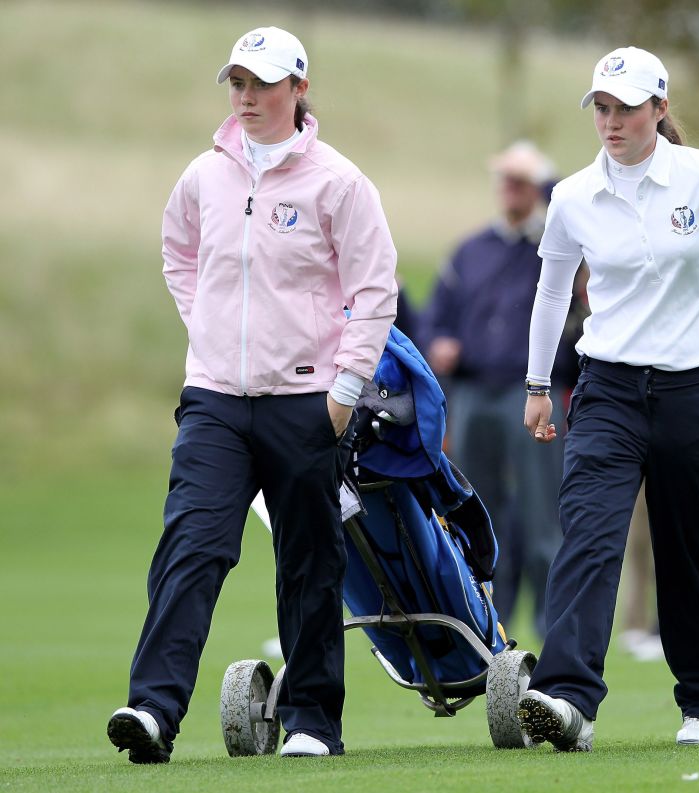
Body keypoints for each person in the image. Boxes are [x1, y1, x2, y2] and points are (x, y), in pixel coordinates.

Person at [107, 26, 398, 763]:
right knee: (192, 545)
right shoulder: (204, 176)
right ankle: (153, 710)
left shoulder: (337, 181)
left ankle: (312, 720)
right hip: (213, 398)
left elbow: (374, 292)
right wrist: (205, 324)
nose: (247, 97)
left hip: (306, 402)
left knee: (309, 558)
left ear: (298, 89)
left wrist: (343, 391)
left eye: (262, 84)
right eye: (237, 83)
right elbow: (179, 252)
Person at [520, 46, 699, 749]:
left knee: (690, 549)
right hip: (608, 388)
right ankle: (566, 699)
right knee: (588, 535)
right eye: (602, 109)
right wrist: (536, 385)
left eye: (626, 108)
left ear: (659, 109)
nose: (611, 122)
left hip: (692, 390)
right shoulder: (574, 195)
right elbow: (553, 288)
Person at [423, 141, 571, 637]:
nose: (510, 189)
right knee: (478, 515)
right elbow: (435, 317)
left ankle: (554, 631)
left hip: (529, 394)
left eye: (521, 181)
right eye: (505, 180)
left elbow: (570, 206)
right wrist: (440, 342)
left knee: (540, 517)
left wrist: (545, 182)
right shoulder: (471, 250)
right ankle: (490, 623)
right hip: (473, 395)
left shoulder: (553, 245)